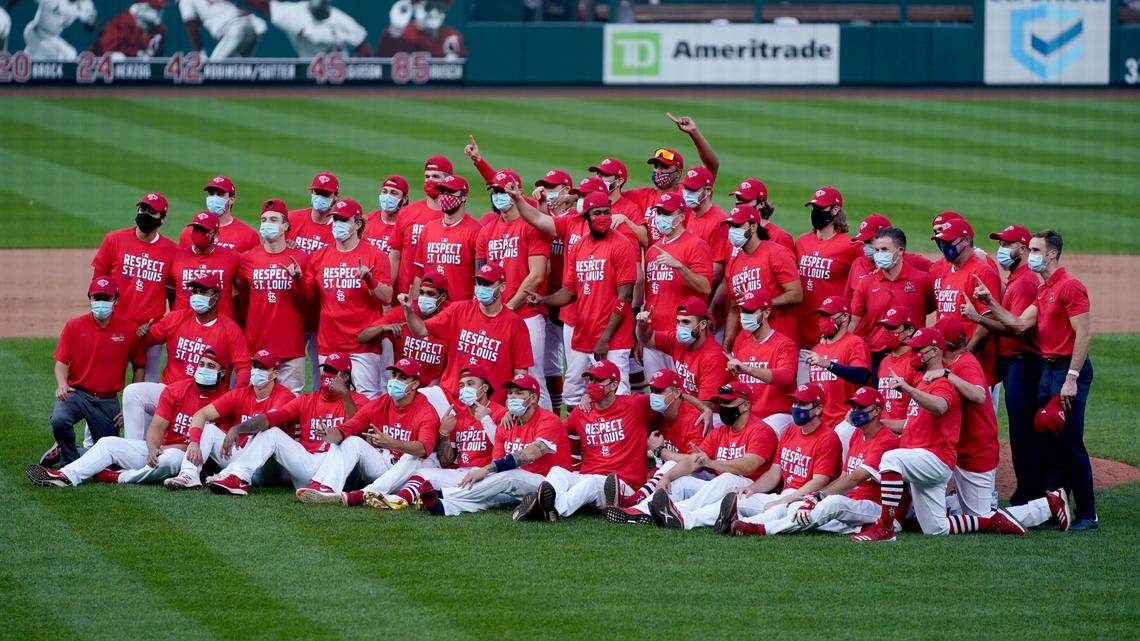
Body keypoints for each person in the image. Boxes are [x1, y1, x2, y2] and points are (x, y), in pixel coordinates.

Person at [970, 229, 1096, 530]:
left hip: (1067, 370)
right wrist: (989, 305)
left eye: (1036, 250)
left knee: (1070, 440)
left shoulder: (1070, 287)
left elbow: (1084, 334)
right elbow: (1017, 323)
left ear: (1051, 254)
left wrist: (1072, 378)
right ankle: (1053, 503)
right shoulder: (1042, 289)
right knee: (1046, 436)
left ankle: (1088, 513)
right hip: (1048, 370)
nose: (1031, 255)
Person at [853, 328, 1025, 540]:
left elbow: (940, 406)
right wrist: (879, 423)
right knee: (935, 528)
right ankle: (989, 520)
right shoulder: (922, 380)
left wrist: (909, 390)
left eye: (918, 350)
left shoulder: (943, 382)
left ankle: (885, 528)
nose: (913, 354)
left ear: (934, 351)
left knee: (891, 459)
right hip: (923, 459)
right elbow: (914, 423)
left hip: (936, 458)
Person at [28, 350, 230, 488]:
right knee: (107, 444)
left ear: (222, 373)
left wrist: (165, 450)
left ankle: (121, 477)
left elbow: (209, 446)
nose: (203, 369)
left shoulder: (227, 400)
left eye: (210, 366)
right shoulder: (178, 389)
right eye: (201, 364)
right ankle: (66, 476)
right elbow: (157, 427)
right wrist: (152, 448)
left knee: (170, 459)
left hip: (189, 460)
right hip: (159, 451)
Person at [723, 387, 898, 537]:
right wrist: (817, 497)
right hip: (851, 502)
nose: (854, 411)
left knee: (828, 504)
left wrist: (819, 495)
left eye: (861, 407)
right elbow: (845, 475)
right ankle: (740, 523)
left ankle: (762, 529)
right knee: (805, 508)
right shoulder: (857, 434)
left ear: (876, 411)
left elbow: (856, 477)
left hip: (879, 509)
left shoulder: (886, 440)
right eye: (853, 406)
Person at [407, 373, 571, 518]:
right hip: (519, 487)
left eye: (519, 393)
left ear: (533, 398)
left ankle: (442, 494)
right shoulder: (507, 423)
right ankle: (443, 507)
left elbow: (531, 453)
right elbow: (498, 461)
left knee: (508, 476)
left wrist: (485, 470)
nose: (513, 398)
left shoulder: (549, 420)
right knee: (489, 497)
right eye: (510, 393)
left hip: (547, 484)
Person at [529, 191, 638, 404]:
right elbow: (569, 292)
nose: (603, 217)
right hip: (584, 333)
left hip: (613, 338)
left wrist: (605, 339)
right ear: (586, 215)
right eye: (597, 212)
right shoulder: (578, 247)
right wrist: (543, 300)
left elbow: (625, 297)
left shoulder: (621, 245)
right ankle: (576, 438)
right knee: (574, 392)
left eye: (607, 212)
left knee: (617, 393)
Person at [206, 353, 367, 495]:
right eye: (325, 370)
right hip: (307, 463)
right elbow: (270, 418)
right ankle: (238, 478)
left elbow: (354, 429)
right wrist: (239, 428)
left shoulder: (360, 401)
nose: (327, 375)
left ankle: (327, 488)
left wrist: (345, 394)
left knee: (347, 443)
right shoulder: (306, 400)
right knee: (271, 432)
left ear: (345, 377)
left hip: (336, 466)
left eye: (332, 371)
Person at [517, 360, 651, 521]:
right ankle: (544, 505)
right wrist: (518, 415)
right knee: (558, 473)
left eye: (599, 380)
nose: (593, 384)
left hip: (620, 485)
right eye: (591, 380)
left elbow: (666, 400)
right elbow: (555, 429)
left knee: (592, 482)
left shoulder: (635, 405)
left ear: (614, 385)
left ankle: (549, 510)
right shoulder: (582, 412)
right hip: (587, 477)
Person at [295, 358, 441, 505]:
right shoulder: (381, 403)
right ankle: (326, 488)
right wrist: (328, 433)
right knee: (351, 440)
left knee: (412, 457)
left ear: (414, 385)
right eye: (394, 375)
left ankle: (363, 494)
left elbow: (423, 449)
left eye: (402, 377)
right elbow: (349, 428)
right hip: (385, 465)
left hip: (409, 476)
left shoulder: (426, 411)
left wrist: (393, 443)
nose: (395, 381)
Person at [123, 272, 250, 442]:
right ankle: (134, 449)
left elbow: (243, 368)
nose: (197, 295)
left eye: (204, 292)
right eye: (195, 291)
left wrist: (231, 398)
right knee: (133, 393)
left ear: (216, 297)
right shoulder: (177, 318)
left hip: (206, 400)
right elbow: (148, 340)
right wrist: (143, 335)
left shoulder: (230, 330)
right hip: (170, 391)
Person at [644, 381, 779, 530]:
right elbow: (694, 461)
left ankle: (679, 515)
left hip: (752, 489)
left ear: (746, 405)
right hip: (723, 486)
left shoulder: (761, 431)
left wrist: (712, 463)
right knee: (681, 480)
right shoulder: (720, 432)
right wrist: (667, 477)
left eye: (728, 402)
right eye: (721, 402)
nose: (723, 407)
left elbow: (748, 466)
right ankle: (642, 512)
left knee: (727, 478)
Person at [42, 277, 147, 467]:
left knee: (111, 461)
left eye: (106, 298)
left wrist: (129, 404)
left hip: (107, 401)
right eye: (97, 297)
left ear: (116, 299)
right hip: (77, 394)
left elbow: (139, 365)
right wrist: (62, 385)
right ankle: (69, 460)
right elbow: (61, 363)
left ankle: (72, 452)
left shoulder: (129, 329)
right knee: (59, 420)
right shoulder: (74, 326)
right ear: (89, 298)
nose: (101, 302)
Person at [714, 381, 842, 534]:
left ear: (818, 409)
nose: (796, 407)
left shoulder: (828, 438)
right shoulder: (790, 431)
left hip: (808, 498)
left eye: (802, 404)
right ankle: (687, 517)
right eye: (794, 402)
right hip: (785, 494)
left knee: (779, 511)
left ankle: (742, 525)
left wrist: (782, 501)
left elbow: (818, 482)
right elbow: (775, 472)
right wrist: (751, 489)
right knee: (739, 498)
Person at [375, 365, 507, 509]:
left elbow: (506, 451)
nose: (465, 389)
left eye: (471, 384)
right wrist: (444, 434)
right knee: (423, 474)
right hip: (463, 472)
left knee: (469, 495)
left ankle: (432, 498)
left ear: (485, 388)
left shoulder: (501, 413)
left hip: (490, 473)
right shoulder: (458, 417)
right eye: (462, 385)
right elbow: (446, 461)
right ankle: (399, 500)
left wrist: (486, 420)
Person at [402, 263, 533, 404]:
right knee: (417, 401)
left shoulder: (515, 324)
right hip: (450, 396)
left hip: (489, 405)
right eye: (479, 282)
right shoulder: (459, 309)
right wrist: (408, 310)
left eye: (487, 283)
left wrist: (514, 404)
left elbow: (521, 373)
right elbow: (421, 330)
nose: (481, 287)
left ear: (502, 287)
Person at [165, 349, 296, 489]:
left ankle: (230, 474)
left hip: (268, 466)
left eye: (262, 368)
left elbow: (265, 422)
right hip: (240, 456)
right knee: (208, 428)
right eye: (254, 366)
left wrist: (237, 429)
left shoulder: (285, 396)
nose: (256, 371)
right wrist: (194, 442)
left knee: (267, 432)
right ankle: (189, 475)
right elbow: (201, 414)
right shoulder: (241, 394)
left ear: (275, 373)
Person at [980, 224, 1045, 505]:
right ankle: (1031, 488)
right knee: (1021, 428)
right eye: (1000, 243)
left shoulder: (1025, 281)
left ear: (1022, 247)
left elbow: (1017, 328)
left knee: (1022, 430)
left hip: (1023, 363)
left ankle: (1029, 492)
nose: (1002, 249)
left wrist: (979, 317)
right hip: (1017, 364)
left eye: (1007, 244)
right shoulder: (1017, 277)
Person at [304, 198, 392, 398]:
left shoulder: (375, 255)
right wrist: (299, 278)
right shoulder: (319, 257)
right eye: (335, 220)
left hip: (363, 345)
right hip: (329, 343)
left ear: (358, 224)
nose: (338, 225)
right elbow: (309, 299)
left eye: (344, 220)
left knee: (366, 397)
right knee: (330, 397)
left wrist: (369, 280)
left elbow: (387, 297)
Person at [477, 173, 552, 407]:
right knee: (498, 377)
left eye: (505, 190)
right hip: (495, 316)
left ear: (517, 191)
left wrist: (508, 307)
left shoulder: (531, 227)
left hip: (527, 315)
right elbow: (479, 279)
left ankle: (547, 436)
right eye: (496, 190)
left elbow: (538, 274)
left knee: (531, 379)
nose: (499, 195)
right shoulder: (486, 231)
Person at [90, 191, 178, 383]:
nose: (145, 214)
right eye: (143, 208)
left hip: (150, 333)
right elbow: (97, 285)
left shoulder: (172, 251)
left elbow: (174, 297)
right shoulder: (115, 239)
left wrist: (161, 328)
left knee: (146, 387)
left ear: (161, 219)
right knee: (104, 383)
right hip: (115, 327)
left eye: (152, 211)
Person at [237, 198, 310, 394]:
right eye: (264, 219)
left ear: (286, 225)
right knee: (255, 406)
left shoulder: (302, 259)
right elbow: (240, 295)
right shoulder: (247, 260)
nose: (268, 224)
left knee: (289, 409)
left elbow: (311, 300)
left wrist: (299, 279)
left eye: (274, 219)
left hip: (291, 348)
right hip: (256, 346)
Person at [934, 316, 1001, 519]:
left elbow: (979, 395)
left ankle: (1045, 507)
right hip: (960, 448)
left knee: (983, 519)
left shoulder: (965, 365)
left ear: (945, 345)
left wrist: (946, 375)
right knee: (966, 512)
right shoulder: (952, 362)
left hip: (977, 450)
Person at [641, 192, 714, 379]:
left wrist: (680, 267)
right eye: (659, 213)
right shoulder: (652, 250)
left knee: (683, 397)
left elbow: (705, 287)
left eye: (667, 213)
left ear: (681, 216)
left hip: (682, 337)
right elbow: (649, 295)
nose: (661, 218)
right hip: (654, 337)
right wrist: (642, 337)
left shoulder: (696, 245)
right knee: (657, 396)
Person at [849, 226, 935, 376]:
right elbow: (854, 322)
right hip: (877, 357)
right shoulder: (866, 283)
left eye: (884, 250)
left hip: (913, 358)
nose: (879, 254)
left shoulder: (921, 280)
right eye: (877, 250)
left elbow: (930, 307)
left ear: (900, 251)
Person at [930, 216, 1002, 386]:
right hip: (949, 359)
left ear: (966, 241)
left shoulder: (981, 272)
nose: (944, 246)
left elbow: (990, 318)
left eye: (948, 241)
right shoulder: (948, 269)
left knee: (980, 411)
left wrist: (966, 353)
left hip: (977, 364)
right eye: (941, 241)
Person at [722, 205, 802, 351]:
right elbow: (734, 308)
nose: (732, 230)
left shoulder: (777, 253)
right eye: (730, 225)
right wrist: (728, 341)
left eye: (737, 225)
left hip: (780, 340)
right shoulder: (735, 262)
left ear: (753, 227)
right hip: (749, 345)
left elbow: (796, 294)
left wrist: (762, 304)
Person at [795, 186, 862, 349]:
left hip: (831, 330)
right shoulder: (802, 242)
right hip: (802, 329)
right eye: (814, 208)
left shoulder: (850, 246)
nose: (816, 211)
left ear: (835, 209)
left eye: (820, 208)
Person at [360, 270, 451, 389]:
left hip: (434, 389)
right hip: (402, 387)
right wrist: (383, 328)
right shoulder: (402, 311)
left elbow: (451, 369)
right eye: (422, 293)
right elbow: (363, 337)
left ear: (443, 297)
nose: (424, 297)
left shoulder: (450, 319)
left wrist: (430, 393)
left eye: (430, 294)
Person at [802, 296, 871, 453]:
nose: (823, 321)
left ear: (845, 317)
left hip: (846, 420)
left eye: (829, 316)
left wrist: (829, 365)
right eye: (822, 316)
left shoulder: (855, 343)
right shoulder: (817, 349)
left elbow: (862, 375)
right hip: (821, 422)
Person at [726, 289, 798, 434]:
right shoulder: (741, 340)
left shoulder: (784, 344)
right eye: (743, 311)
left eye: (750, 311)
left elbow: (786, 376)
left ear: (766, 313)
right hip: (747, 413)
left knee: (761, 432)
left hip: (776, 415)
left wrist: (748, 369)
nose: (745, 316)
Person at [623, 113, 721, 216]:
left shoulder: (688, 193)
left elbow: (712, 166)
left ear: (678, 173)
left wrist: (693, 132)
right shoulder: (641, 195)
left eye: (665, 167)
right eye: (656, 166)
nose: (659, 171)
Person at [636, 296, 727, 403]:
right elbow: (648, 338)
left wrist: (675, 397)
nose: (680, 327)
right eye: (678, 322)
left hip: (710, 414)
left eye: (686, 322)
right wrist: (642, 325)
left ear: (702, 325)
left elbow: (707, 407)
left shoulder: (714, 357)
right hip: (688, 407)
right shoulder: (677, 341)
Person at [413, 174, 482, 302]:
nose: (445, 196)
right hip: (430, 307)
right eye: (443, 191)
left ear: (464, 197)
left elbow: (481, 278)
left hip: (460, 310)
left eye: (450, 192)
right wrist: (415, 306)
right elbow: (419, 275)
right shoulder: (428, 229)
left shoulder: (476, 231)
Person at [394, 155, 452, 297]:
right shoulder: (407, 212)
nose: (429, 181)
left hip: (440, 297)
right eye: (427, 177)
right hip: (404, 295)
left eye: (435, 176)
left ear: (447, 180)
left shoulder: (452, 217)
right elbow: (395, 253)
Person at [170, 211, 241, 319]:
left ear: (216, 233)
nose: (198, 233)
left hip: (218, 327)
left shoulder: (232, 258)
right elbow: (169, 290)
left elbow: (241, 290)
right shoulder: (177, 256)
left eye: (203, 230)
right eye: (196, 229)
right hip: (181, 326)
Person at [845, 214, 933, 300]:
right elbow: (848, 299)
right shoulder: (859, 263)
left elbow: (941, 274)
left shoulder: (913, 261)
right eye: (864, 242)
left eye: (869, 241)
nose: (865, 246)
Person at [261, 0, 369, 58]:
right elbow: (265, 6)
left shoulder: (341, 20)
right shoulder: (296, 14)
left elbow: (363, 47)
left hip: (339, 74)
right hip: (308, 71)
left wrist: (356, 71)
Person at [181, 175, 259, 253]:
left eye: (220, 194)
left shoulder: (248, 235)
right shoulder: (189, 232)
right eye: (211, 194)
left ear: (231, 199)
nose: (214, 198)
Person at [874, 307, 921, 428]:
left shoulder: (917, 361)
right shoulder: (885, 361)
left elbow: (922, 409)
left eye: (893, 328)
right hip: (883, 429)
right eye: (886, 328)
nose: (887, 332)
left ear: (910, 330)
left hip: (907, 430)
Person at [586, 157, 647, 247]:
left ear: (619, 181)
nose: (599, 178)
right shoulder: (590, 205)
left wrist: (625, 220)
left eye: (605, 175)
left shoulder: (630, 208)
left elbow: (644, 240)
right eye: (598, 174)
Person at [177, 0, 262, 59]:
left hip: (235, 29)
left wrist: (201, 54)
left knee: (213, 69)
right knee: (240, 71)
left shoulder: (185, 1)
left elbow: (191, 28)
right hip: (252, 28)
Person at [730, 178, 795, 256]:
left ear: (761, 204)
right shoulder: (733, 233)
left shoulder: (781, 238)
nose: (740, 204)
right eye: (739, 199)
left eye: (746, 200)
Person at [363, 175, 409, 282]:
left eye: (393, 193)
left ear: (405, 198)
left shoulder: (408, 226)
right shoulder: (365, 221)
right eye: (384, 192)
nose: (387, 196)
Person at [92, 0, 166, 58]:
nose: (160, 12)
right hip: (102, 71)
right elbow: (104, 50)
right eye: (155, 8)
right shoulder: (121, 23)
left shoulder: (159, 29)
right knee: (118, 58)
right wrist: (137, 53)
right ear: (140, 9)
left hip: (141, 73)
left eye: (161, 8)